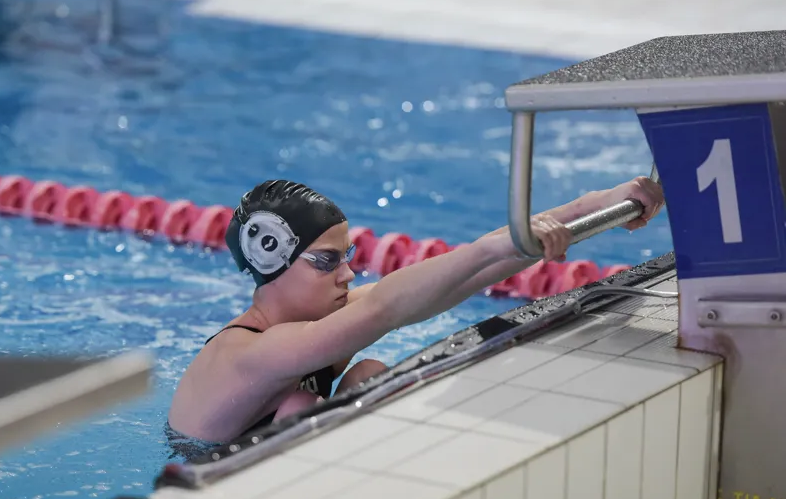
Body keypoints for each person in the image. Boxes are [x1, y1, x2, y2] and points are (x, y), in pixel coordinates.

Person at [168, 176, 665, 443]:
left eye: (348, 257)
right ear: (271, 260)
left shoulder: (313, 327)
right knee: (303, 408)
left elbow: (451, 277)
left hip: (268, 477)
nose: (348, 274)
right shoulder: (250, 353)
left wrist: (591, 207)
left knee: (368, 374)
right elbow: (388, 306)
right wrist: (506, 247)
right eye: (327, 261)